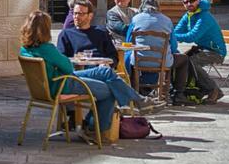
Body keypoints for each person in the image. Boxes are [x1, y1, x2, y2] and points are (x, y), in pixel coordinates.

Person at [20, 10, 163, 139]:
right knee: (109, 90)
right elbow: (68, 68)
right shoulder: (47, 49)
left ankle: (138, 100)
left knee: (105, 71)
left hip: (51, 84)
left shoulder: (24, 50)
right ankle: (94, 128)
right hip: (63, 84)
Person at [125, 0, 189, 106]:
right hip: (162, 61)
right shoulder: (167, 20)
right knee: (184, 59)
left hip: (138, 61)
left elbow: (129, 42)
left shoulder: (135, 19)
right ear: (157, 7)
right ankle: (179, 94)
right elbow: (173, 47)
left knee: (128, 58)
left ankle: (134, 92)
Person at [174, 0, 227, 103]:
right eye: (186, 2)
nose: (189, 4)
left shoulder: (204, 16)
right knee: (181, 59)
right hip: (202, 49)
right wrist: (173, 35)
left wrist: (172, 36)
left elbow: (191, 37)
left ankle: (213, 90)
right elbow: (176, 31)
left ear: (198, 0)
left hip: (216, 52)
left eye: (192, 1)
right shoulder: (188, 15)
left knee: (191, 61)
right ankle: (182, 92)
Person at [57, 0, 118, 66]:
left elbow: (114, 56)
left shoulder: (101, 33)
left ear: (90, 16)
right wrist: (75, 59)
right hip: (78, 72)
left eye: (81, 14)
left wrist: (107, 65)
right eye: (75, 13)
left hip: (100, 69)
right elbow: (61, 60)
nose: (76, 16)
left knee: (105, 72)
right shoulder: (66, 34)